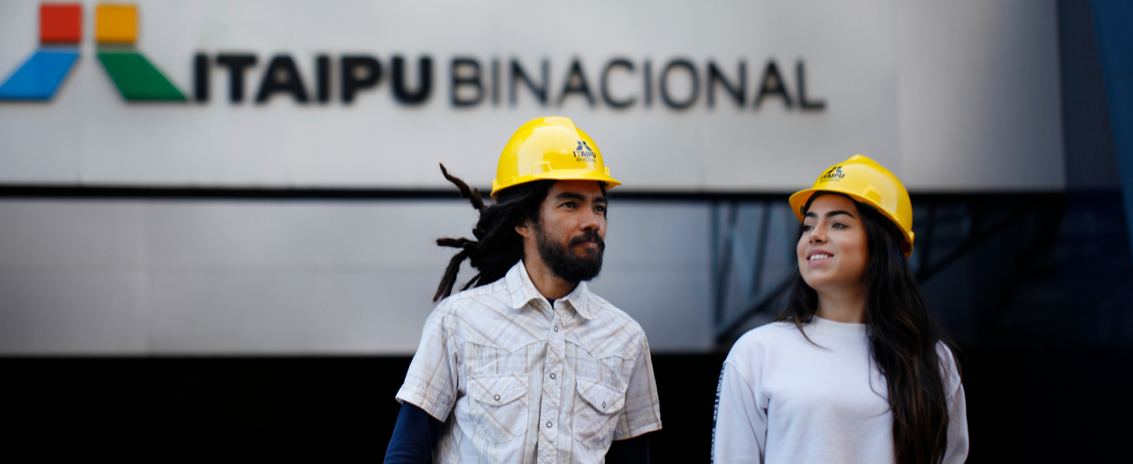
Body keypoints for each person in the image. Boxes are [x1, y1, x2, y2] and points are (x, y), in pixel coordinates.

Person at [385, 117, 662, 463]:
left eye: (599, 207)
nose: (593, 221)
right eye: (570, 204)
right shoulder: (457, 322)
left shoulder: (627, 340)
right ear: (522, 222)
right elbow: (406, 453)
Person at [711, 155, 969, 463]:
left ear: (882, 246)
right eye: (808, 226)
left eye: (838, 223)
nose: (815, 235)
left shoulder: (932, 359)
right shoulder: (757, 353)